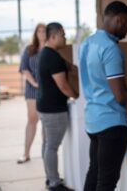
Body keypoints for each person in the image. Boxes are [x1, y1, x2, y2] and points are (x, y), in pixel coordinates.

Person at [79, 0, 127, 191]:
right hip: (112, 123)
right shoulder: (111, 49)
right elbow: (120, 95)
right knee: (106, 182)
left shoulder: (87, 43)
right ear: (119, 20)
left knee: (94, 172)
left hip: (92, 120)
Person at [37, 22, 78, 191]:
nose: (65, 38)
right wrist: (77, 95)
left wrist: (69, 65)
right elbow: (63, 85)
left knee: (47, 144)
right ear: (53, 36)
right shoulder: (52, 57)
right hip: (53, 109)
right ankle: (54, 183)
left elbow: (65, 65)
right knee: (52, 146)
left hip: (45, 106)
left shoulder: (47, 53)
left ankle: (50, 178)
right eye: (63, 35)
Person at [18, 23, 46, 164]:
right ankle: (26, 153)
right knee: (32, 119)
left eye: (44, 31)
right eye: (39, 31)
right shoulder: (29, 49)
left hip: (47, 90)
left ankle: (45, 155)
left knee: (46, 122)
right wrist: (35, 83)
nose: (41, 33)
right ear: (35, 34)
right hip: (32, 90)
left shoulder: (51, 50)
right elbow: (24, 68)